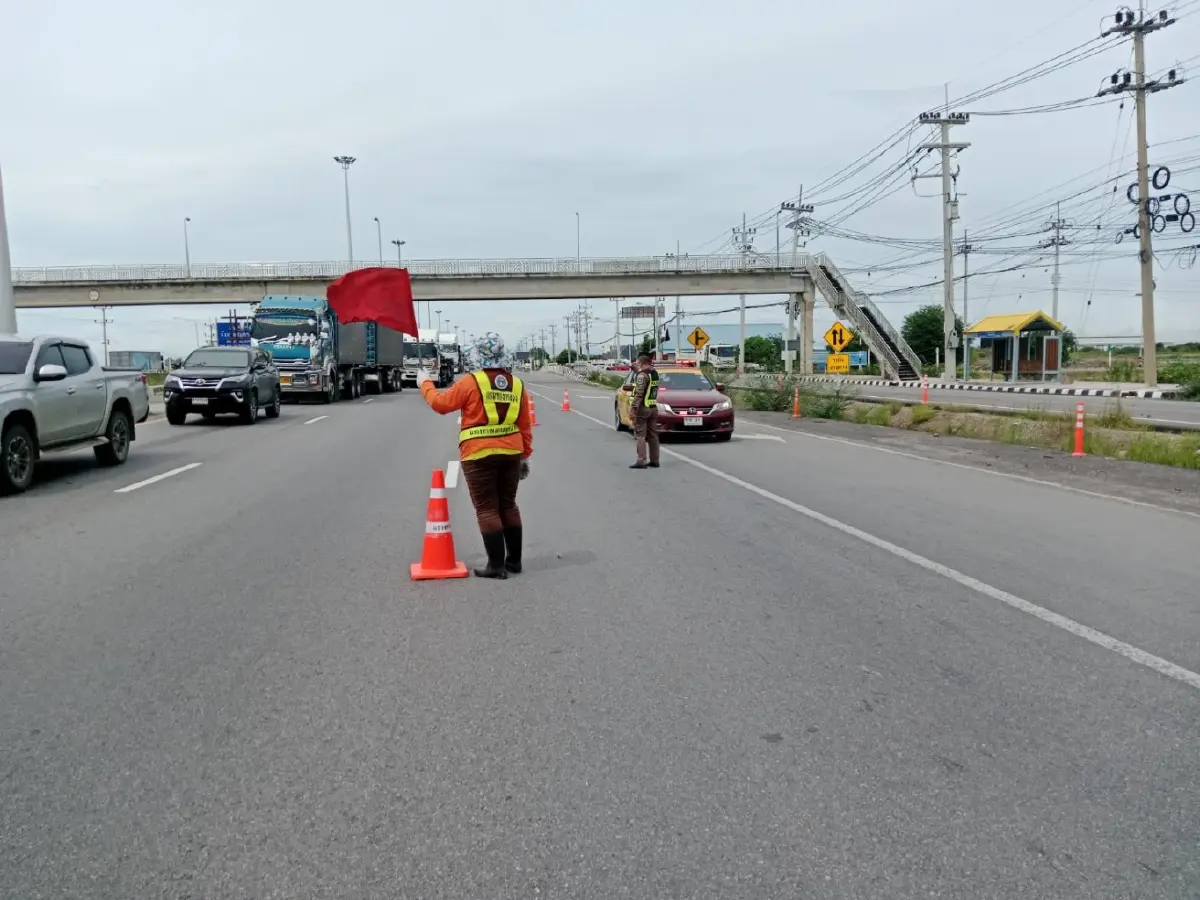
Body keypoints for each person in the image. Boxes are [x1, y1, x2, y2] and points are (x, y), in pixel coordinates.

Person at [417, 333, 532, 578]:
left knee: (487, 509)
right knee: (508, 505)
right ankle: (514, 562)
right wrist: (524, 456)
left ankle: (496, 567)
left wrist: (425, 384)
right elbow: (525, 425)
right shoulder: (517, 384)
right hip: (511, 451)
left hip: (478, 453)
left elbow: (441, 404)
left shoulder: (471, 382)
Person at [629, 353, 660, 470]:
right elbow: (646, 381)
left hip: (643, 409)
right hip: (653, 407)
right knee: (653, 435)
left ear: (642, 362)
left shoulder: (642, 376)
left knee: (640, 435)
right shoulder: (654, 373)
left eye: (638, 362)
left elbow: (639, 394)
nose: (637, 364)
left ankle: (641, 460)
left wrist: (633, 409)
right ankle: (655, 460)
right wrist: (638, 371)